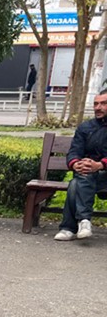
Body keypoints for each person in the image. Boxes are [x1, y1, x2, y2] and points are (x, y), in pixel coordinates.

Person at [53, 90, 107, 241]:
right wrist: (75, 163)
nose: (98, 107)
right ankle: (83, 222)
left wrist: (101, 165)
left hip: (104, 174)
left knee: (77, 182)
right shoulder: (85, 128)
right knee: (80, 178)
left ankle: (68, 227)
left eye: (103, 103)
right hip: (89, 174)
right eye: (96, 104)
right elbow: (74, 151)